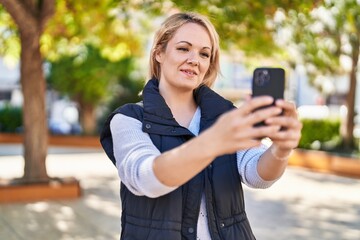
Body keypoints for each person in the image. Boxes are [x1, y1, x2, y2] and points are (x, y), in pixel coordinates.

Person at [100, 12, 302, 240]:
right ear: (159, 53)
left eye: (204, 54)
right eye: (184, 49)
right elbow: (146, 179)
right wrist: (214, 141)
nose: (195, 60)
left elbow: (256, 174)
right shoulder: (128, 120)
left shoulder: (225, 116)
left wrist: (281, 149)